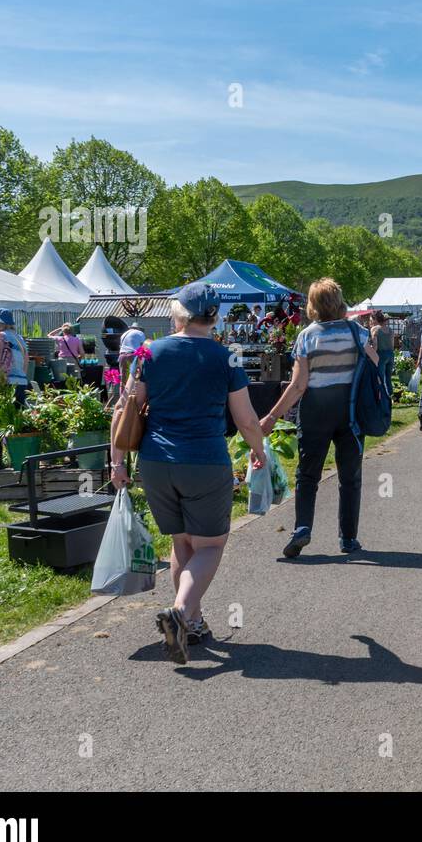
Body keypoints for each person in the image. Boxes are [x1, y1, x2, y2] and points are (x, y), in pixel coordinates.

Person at [109, 283, 267, 664]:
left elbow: (125, 407)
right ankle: (179, 612)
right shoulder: (226, 358)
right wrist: (259, 450)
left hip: (156, 462)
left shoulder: (149, 352)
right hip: (205, 461)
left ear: (177, 313)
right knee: (211, 545)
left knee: (182, 542)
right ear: (214, 317)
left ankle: (192, 622)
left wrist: (116, 460)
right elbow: (245, 419)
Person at [261, 277, 379, 559]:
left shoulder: (307, 336)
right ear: (339, 302)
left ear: (313, 305)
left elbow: (298, 385)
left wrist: (272, 416)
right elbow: (374, 366)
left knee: (307, 474)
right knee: (350, 476)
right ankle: (348, 538)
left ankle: (302, 528)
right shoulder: (358, 333)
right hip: (350, 411)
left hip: (315, 410)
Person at [0, 309, 29, 403]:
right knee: (17, 415)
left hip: (5, 382)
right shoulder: (19, 338)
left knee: (1, 415)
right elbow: (26, 362)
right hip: (21, 382)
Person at [370, 310, 395, 395]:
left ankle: (382, 397)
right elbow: (392, 345)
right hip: (391, 354)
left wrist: (370, 355)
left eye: (371, 319)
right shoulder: (390, 330)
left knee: (380, 378)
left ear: (375, 319)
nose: (371, 322)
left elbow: (375, 346)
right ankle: (391, 395)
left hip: (381, 355)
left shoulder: (374, 329)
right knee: (388, 378)